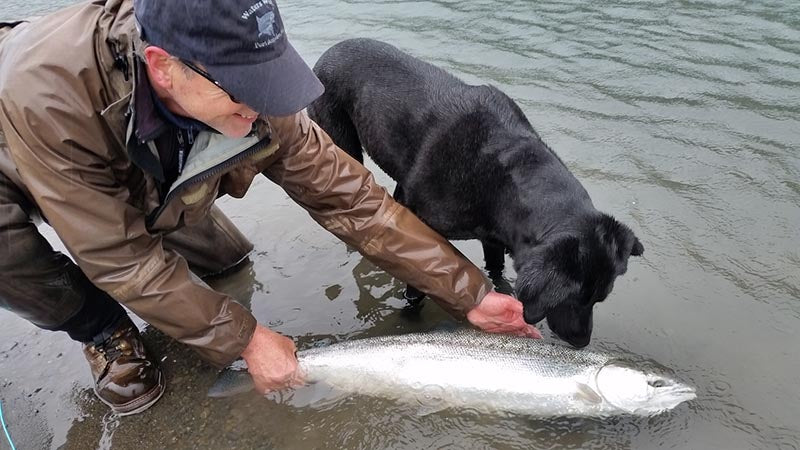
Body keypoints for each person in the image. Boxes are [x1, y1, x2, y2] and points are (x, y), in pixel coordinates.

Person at [0, 0, 540, 416]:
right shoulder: (45, 95)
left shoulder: (247, 81)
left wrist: (467, 292)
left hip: (143, 156)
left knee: (227, 261)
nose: (263, 106)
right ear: (165, 68)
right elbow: (119, 257)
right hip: (26, 150)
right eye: (244, 91)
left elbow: (350, 198)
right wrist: (245, 338)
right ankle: (100, 329)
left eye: (269, 81)